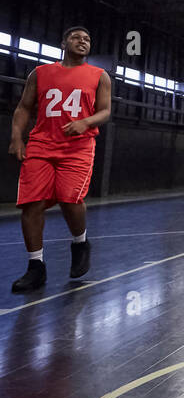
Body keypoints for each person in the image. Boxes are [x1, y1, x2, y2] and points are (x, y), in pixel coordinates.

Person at [8, 26, 112, 293]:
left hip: (77, 147)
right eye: (77, 37)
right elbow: (24, 107)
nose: (83, 41)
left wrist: (85, 122)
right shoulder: (40, 73)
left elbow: (105, 112)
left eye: (87, 39)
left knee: (69, 198)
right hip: (41, 144)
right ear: (64, 41)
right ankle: (35, 267)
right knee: (31, 204)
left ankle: (80, 242)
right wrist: (17, 138)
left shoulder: (99, 76)